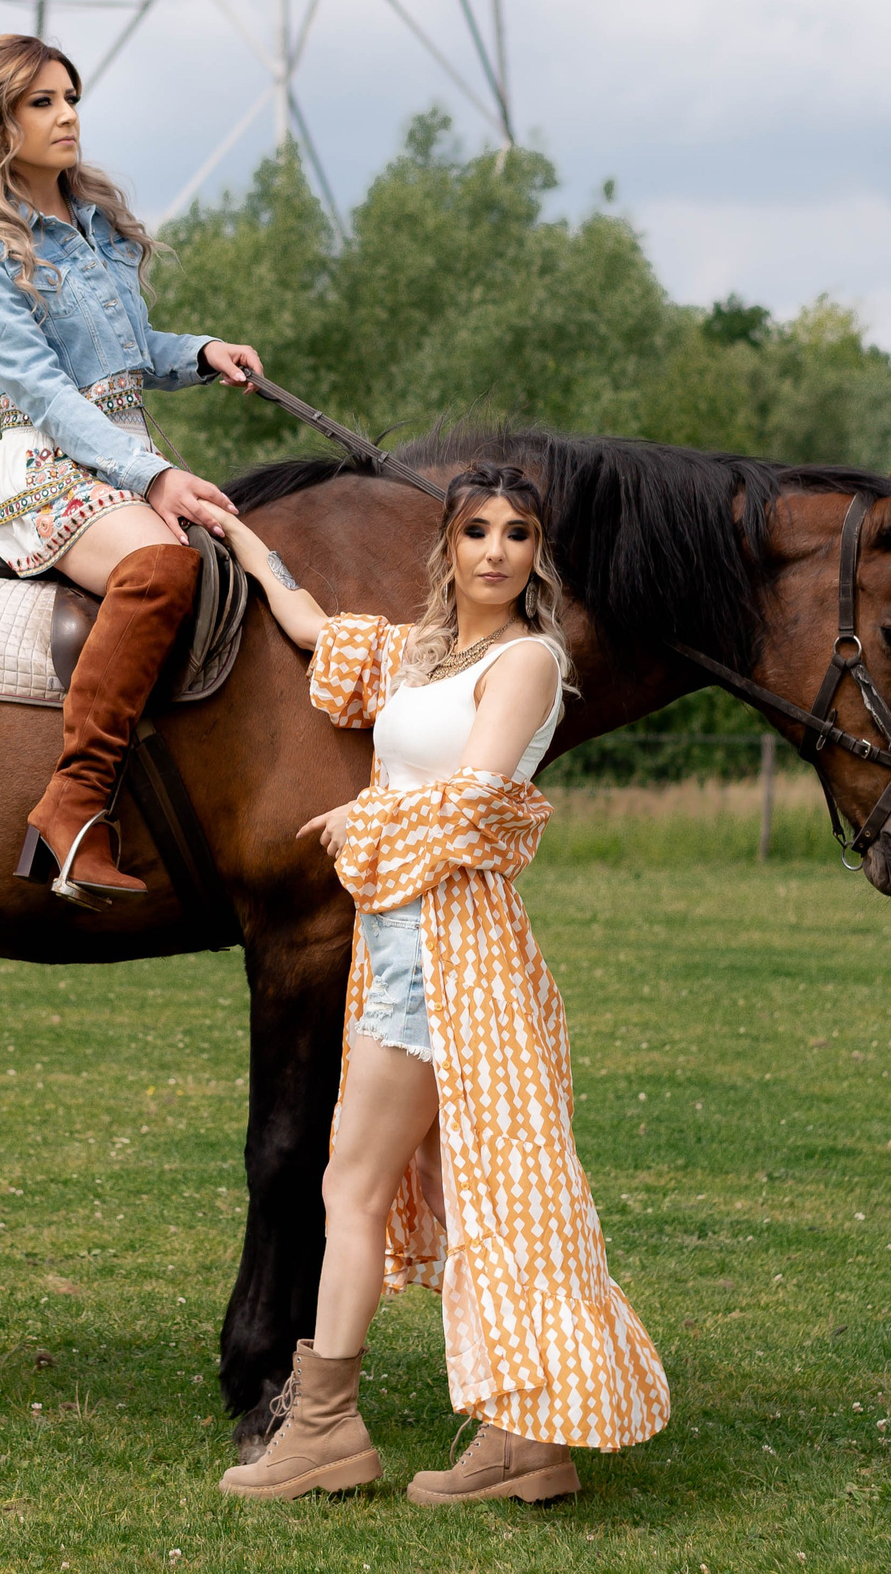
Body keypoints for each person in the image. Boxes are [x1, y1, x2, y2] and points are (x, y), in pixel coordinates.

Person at [202, 462, 671, 1505]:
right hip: (402, 939)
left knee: (350, 1185)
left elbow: (478, 796)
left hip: (451, 950)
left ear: (534, 553)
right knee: (473, 1194)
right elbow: (314, 627)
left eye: (516, 532)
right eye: (476, 530)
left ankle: (322, 1425)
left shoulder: (530, 663)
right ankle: (521, 1441)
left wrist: (354, 819)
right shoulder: (417, 655)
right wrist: (240, 542)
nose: (496, 549)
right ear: (448, 547)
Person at [0, 34, 265, 906]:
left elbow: (131, 351)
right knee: (160, 568)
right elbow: (43, 391)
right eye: (43, 102)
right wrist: (151, 477)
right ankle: (73, 808)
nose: (68, 115)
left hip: (123, 449)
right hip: (49, 461)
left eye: (71, 97)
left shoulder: (97, 223)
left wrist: (202, 352)